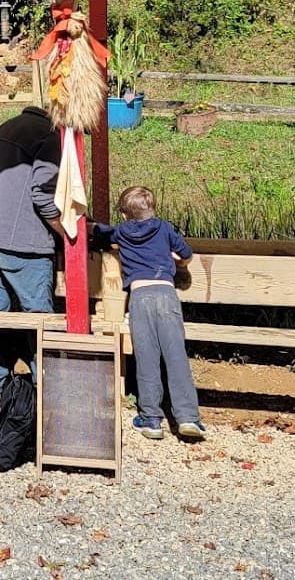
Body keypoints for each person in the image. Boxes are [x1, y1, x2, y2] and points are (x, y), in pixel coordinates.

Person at [93, 186, 206, 441]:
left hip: (140, 297)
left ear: (123, 214)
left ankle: (151, 419)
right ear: (152, 208)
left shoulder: (121, 232)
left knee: (147, 357)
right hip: (167, 295)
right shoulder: (164, 228)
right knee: (175, 354)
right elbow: (187, 255)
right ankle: (188, 417)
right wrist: (177, 260)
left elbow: (101, 236)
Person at [0, 104, 62, 407]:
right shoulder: (50, 135)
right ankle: (46, 391)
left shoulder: (7, 125)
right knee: (38, 316)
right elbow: (43, 193)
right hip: (22, 239)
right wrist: (68, 232)